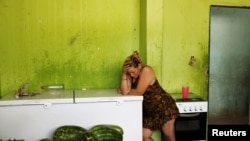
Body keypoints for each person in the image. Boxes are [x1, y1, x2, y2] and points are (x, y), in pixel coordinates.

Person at [117, 51, 179, 141]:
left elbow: (138, 92)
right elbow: (124, 90)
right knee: (143, 136)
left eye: (133, 72)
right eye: (129, 73)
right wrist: (124, 73)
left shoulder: (146, 70)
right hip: (150, 112)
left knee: (170, 137)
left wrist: (127, 91)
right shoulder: (132, 75)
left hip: (163, 108)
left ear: (139, 66)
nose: (132, 75)